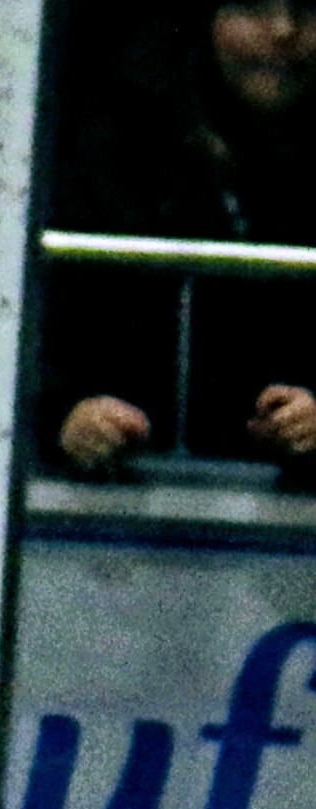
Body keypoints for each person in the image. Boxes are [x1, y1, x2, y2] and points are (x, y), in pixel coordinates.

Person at [42, 0, 316, 483]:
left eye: (310, 7)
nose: (283, 31)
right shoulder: (114, 142)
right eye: (252, 5)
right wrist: (66, 415)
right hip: (108, 503)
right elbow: (37, 323)